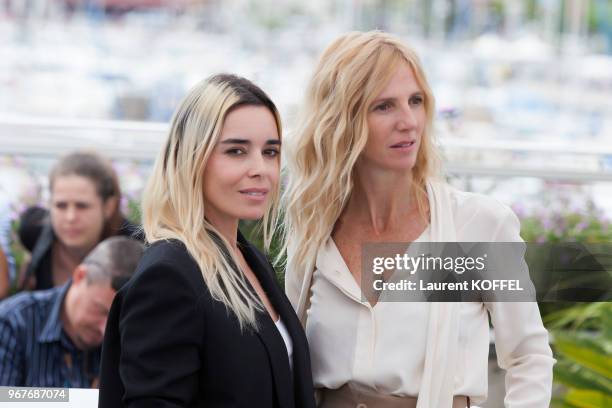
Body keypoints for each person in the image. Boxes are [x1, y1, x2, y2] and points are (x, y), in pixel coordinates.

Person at [283, 31, 555, 408]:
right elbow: (288, 355)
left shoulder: (478, 225)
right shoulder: (314, 227)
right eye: (384, 106)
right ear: (341, 121)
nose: (409, 121)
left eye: (416, 101)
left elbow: (530, 357)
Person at [98, 74, 316, 408]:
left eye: (270, 151)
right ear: (192, 158)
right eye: (237, 151)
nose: (261, 168)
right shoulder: (169, 276)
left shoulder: (250, 259)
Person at [0, 236, 144, 387]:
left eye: (118, 321)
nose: (104, 330)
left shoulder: (133, 341)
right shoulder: (13, 322)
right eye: (100, 310)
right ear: (80, 276)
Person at [18, 151, 142, 291]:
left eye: (82, 206)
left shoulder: (136, 247)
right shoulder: (33, 231)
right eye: (61, 205)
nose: (70, 217)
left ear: (108, 207)